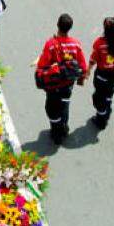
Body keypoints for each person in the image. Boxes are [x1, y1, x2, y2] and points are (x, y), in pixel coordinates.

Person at [36, 14, 87, 144]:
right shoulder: (76, 44)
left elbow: (42, 66)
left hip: (54, 86)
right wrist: (81, 79)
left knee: (52, 109)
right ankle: (64, 126)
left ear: (57, 25)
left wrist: (40, 77)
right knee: (65, 104)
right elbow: (82, 64)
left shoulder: (51, 44)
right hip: (68, 84)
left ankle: (57, 132)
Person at [88, 17, 114, 129]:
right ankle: (108, 106)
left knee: (99, 96)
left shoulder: (99, 43)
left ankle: (101, 120)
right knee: (109, 91)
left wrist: (88, 71)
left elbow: (93, 59)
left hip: (102, 75)